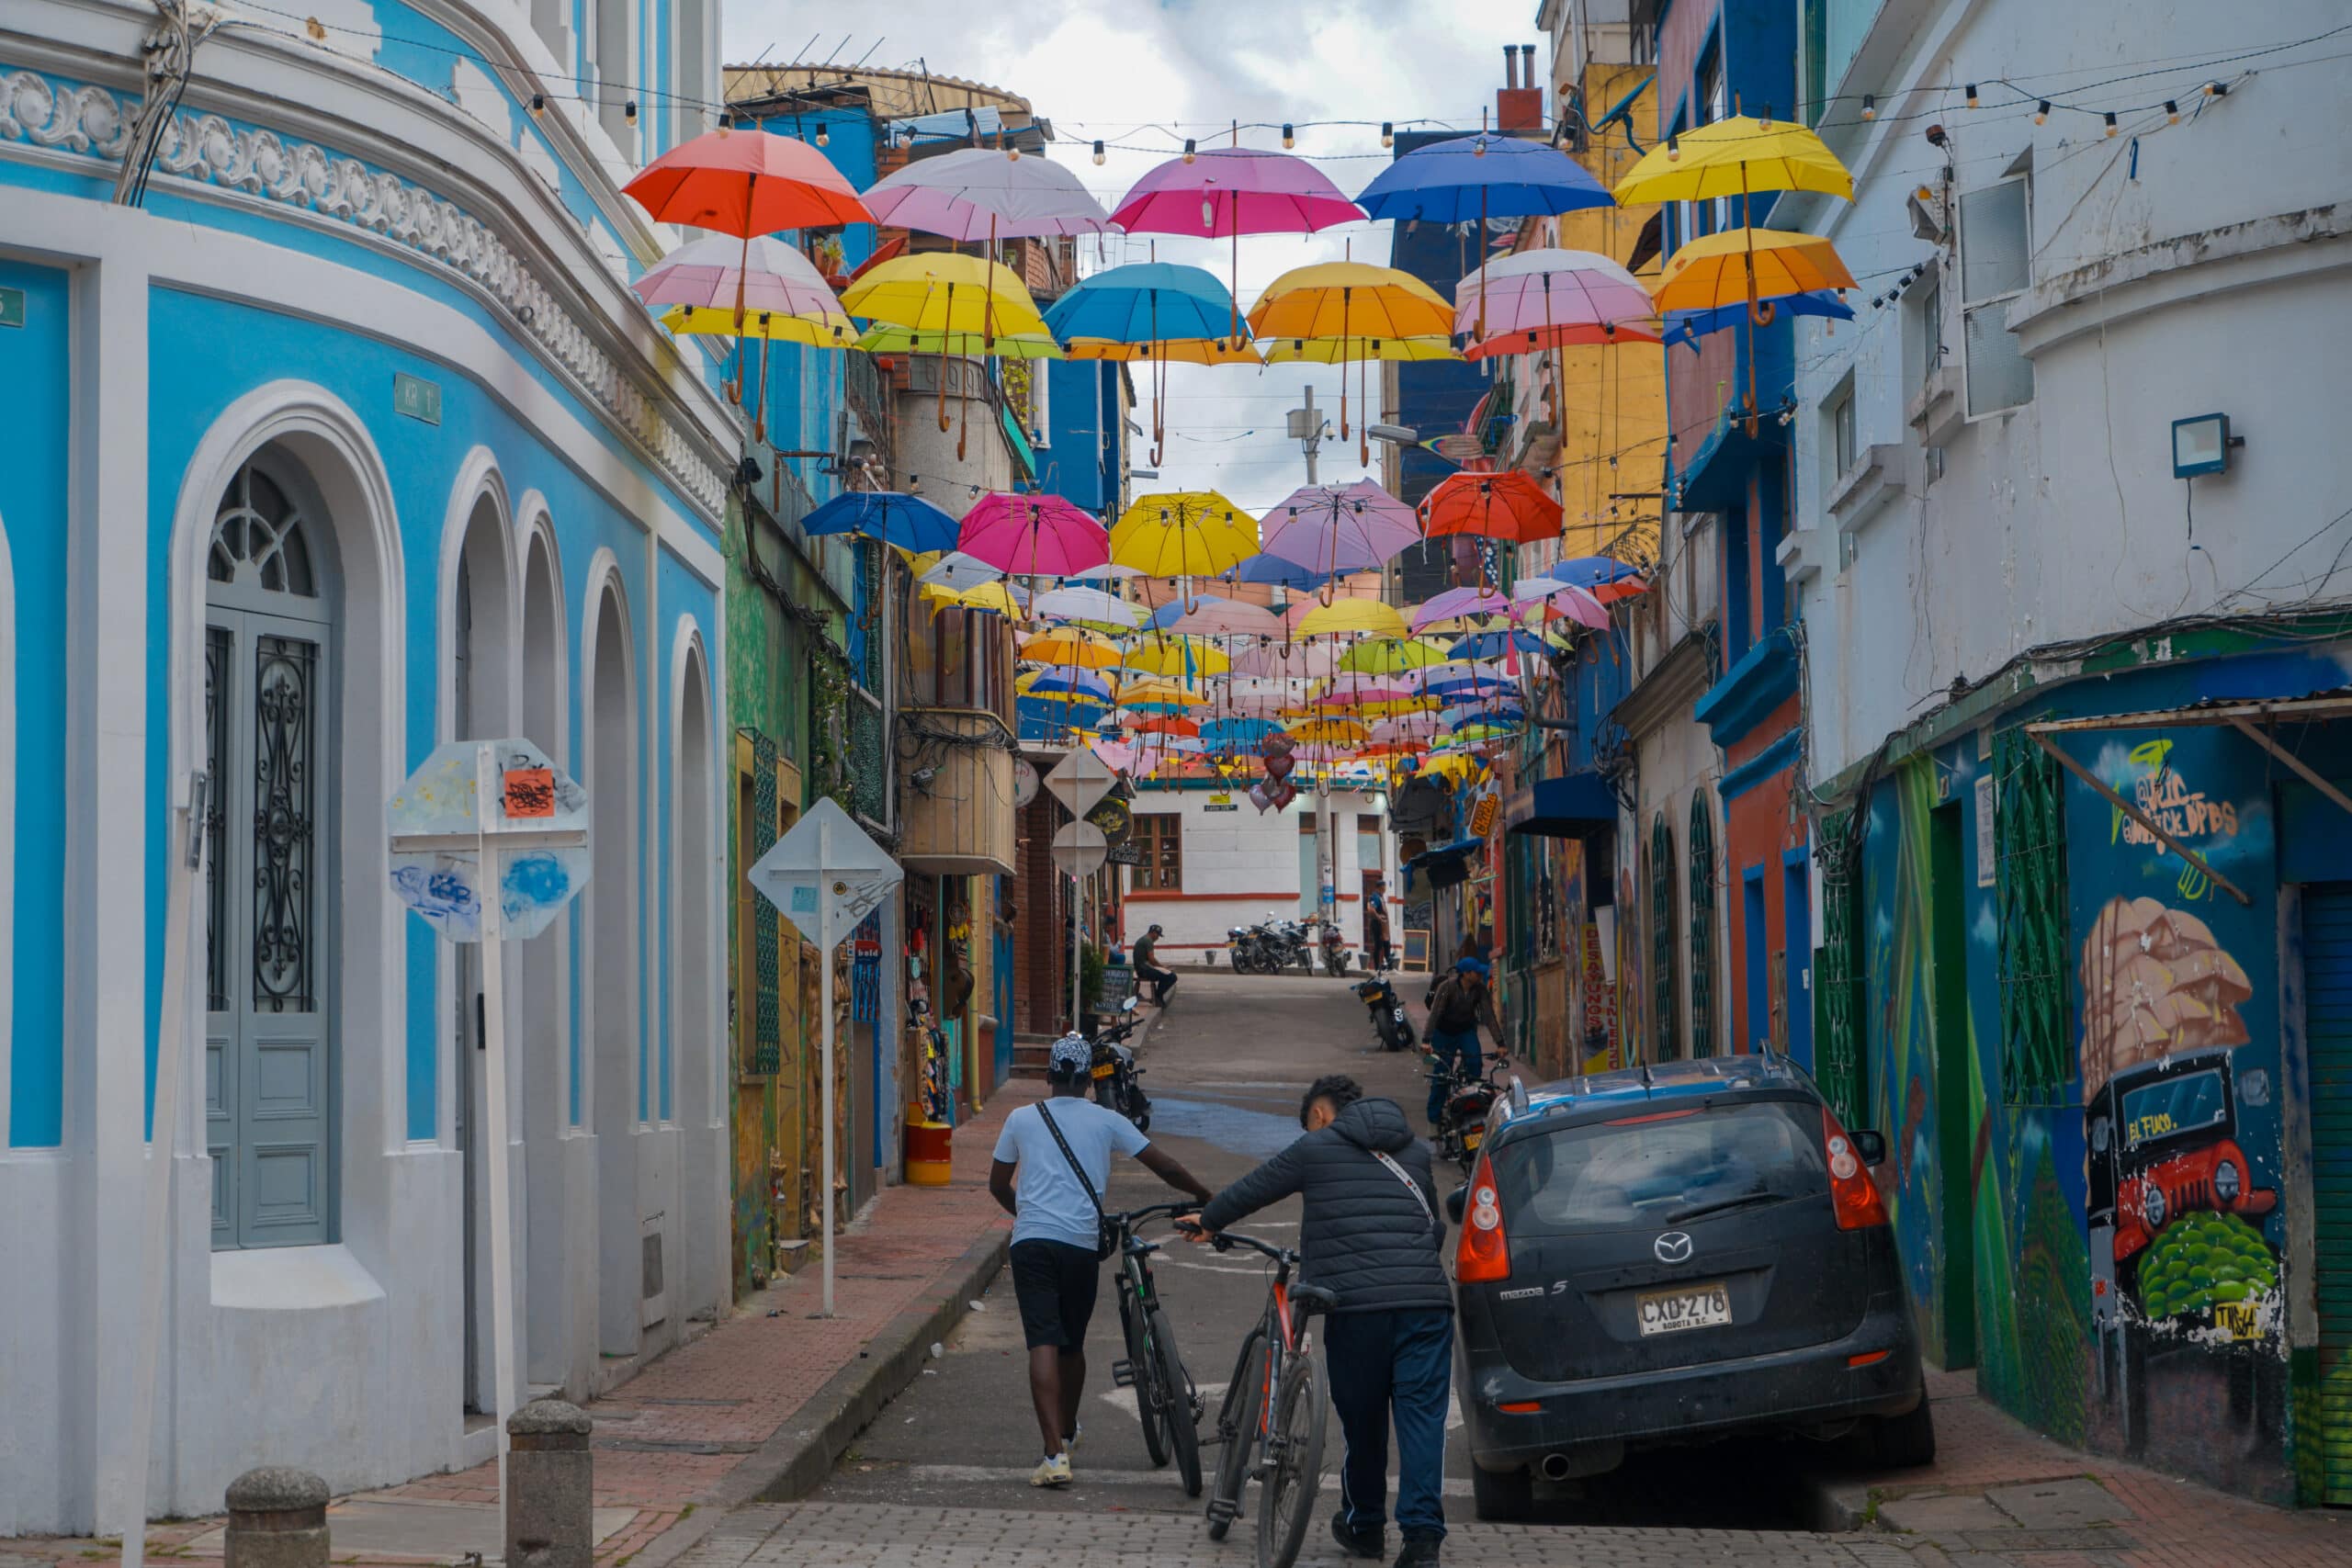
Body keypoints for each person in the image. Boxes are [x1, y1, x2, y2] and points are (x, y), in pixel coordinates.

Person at [1178, 1075, 1452, 1567]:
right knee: (1422, 1421)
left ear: (1320, 1116)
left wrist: (1210, 1219)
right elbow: (1432, 1223)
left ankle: (1365, 1525)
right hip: (1426, 1307)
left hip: (1356, 1309)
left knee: (1363, 1422)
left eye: (1309, 1124)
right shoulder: (1412, 1152)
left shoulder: (1316, 1148)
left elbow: (1257, 1187)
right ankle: (1423, 1543)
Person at [989, 1034, 1209, 1488]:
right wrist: (1212, 1198)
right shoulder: (1107, 1120)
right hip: (1080, 1244)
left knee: (1042, 1343)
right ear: (1089, 1080)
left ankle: (1054, 1455)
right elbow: (1165, 1166)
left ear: (1049, 1077)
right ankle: (1067, 1434)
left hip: (1031, 1245)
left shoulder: (1020, 1118)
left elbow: (997, 1185)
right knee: (1071, 1344)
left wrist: (1030, 1216)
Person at [1422, 956, 1501, 1128]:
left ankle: (1471, 1103)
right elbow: (1434, 1014)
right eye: (1476, 972)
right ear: (1466, 974)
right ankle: (1434, 1117)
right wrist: (1426, 1041)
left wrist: (1500, 1043)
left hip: (1466, 1031)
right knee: (1442, 1074)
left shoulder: (1479, 989)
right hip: (1443, 1033)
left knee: (1474, 1064)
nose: (1480, 974)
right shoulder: (1447, 987)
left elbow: (1488, 1016)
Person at [1133, 921, 1179, 1006]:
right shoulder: (1148, 941)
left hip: (1141, 969)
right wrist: (1163, 967)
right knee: (1172, 977)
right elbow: (1152, 960)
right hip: (1145, 970)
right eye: (1158, 935)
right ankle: (1158, 995)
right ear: (1153, 933)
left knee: (1164, 975)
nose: (1157, 938)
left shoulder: (1143, 939)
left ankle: (1159, 996)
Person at [1363, 883, 1394, 972]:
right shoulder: (1375, 897)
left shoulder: (1380, 896)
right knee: (1379, 946)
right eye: (1384, 887)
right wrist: (1379, 918)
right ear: (1380, 887)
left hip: (1383, 925)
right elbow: (1371, 909)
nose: (1385, 889)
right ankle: (1377, 967)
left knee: (1386, 944)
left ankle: (1388, 966)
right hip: (1378, 925)